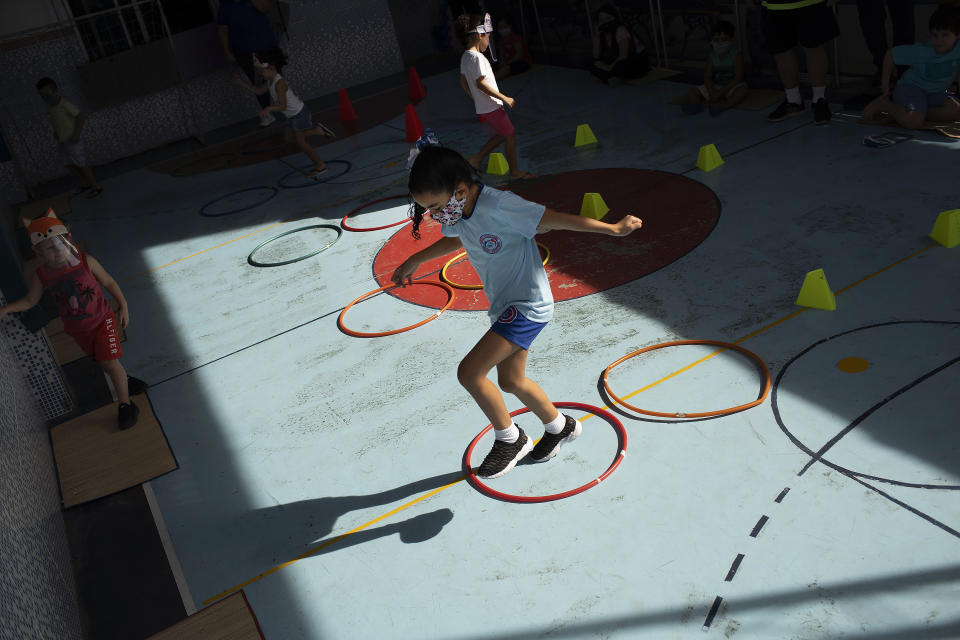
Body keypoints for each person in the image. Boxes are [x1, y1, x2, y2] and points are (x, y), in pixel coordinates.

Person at [391, 147, 643, 479]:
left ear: (461, 190)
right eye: (428, 209)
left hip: (527, 306)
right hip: (505, 306)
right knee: (511, 381)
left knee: (470, 373)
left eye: (436, 207)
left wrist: (612, 229)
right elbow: (458, 239)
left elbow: (551, 219)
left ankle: (510, 439)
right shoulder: (459, 212)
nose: (435, 215)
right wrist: (416, 259)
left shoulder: (499, 205)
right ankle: (560, 426)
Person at [0, 210, 145, 430]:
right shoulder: (42, 275)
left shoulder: (86, 261)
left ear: (67, 240)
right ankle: (124, 381)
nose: (56, 251)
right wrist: (6, 309)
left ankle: (126, 405)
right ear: (38, 251)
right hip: (78, 330)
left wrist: (122, 305)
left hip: (102, 320)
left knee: (110, 363)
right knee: (104, 363)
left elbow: (109, 282)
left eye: (59, 244)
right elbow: (30, 301)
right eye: (49, 248)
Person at [233, 47, 335, 178]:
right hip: (291, 116)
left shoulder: (279, 83)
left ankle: (320, 165)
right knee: (288, 138)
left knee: (301, 142)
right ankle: (317, 130)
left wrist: (268, 108)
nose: (260, 73)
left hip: (299, 114)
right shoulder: (270, 81)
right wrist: (241, 83)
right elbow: (258, 91)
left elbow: (283, 106)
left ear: (271, 67)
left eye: (261, 71)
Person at [456, 13, 534, 181]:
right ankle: (514, 172)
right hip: (491, 105)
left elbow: (463, 81)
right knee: (510, 134)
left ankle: (477, 158)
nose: (488, 40)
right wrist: (504, 97)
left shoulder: (466, 56)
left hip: (484, 106)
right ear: (478, 35)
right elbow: (481, 84)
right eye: (487, 36)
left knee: (503, 133)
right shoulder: (477, 58)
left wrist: (474, 98)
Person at [862, 5, 960, 129]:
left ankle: (907, 113)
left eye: (945, 35)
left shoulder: (958, 48)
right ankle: (886, 105)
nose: (939, 41)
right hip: (911, 88)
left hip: (934, 93)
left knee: (957, 111)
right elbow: (890, 54)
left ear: (958, 35)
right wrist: (885, 85)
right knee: (914, 122)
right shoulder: (923, 51)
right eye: (935, 35)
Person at [746, 0, 839, 124]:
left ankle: (819, 99)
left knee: (814, 48)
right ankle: (793, 100)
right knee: (781, 51)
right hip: (774, 6)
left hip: (811, 3)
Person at [36, 78, 102, 199]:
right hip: (62, 141)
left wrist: (76, 134)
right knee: (68, 164)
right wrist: (56, 133)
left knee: (81, 164)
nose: (45, 98)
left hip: (73, 141)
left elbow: (80, 117)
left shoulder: (64, 105)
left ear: (55, 91)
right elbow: (58, 122)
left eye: (47, 94)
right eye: (42, 96)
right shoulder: (50, 108)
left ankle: (95, 186)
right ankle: (84, 184)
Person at [217, 0, 279, 127]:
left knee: (276, 78)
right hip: (244, 52)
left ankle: (289, 106)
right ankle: (267, 114)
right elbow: (222, 30)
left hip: (266, 46)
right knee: (257, 81)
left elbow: (265, 8)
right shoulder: (225, 6)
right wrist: (227, 52)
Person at [677, 21, 749, 116]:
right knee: (693, 91)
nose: (719, 43)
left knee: (742, 90)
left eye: (724, 40)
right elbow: (707, 77)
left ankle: (722, 107)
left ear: (731, 39)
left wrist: (720, 93)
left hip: (732, 86)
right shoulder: (712, 56)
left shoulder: (736, 55)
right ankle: (694, 106)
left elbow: (738, 78)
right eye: (716, 40)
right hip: (716, 85)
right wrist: (712, 92)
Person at [590, 3, 651, 86]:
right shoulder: (603, 33)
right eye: (601, 20)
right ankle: (612, 77)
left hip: (634, 60)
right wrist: (597, 36)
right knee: (592, 62)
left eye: (608, 18)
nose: (605, 22)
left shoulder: (620, 30)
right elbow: (596, 56)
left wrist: (608, 68)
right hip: (617, 59)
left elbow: (623, 55)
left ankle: (607, 76)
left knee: (621, 66)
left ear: (615, 18)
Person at [494, 15, 533, 80]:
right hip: (509, 62)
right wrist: (501, 62)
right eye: (500, 27)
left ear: (510, 26)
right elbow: (501, 54)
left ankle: (489, 81)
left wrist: (507, 63)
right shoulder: (501, 40)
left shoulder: (515, 38)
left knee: (507, 68)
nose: (502, 29)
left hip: (522, 61)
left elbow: (519, 55)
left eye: (504, 26)